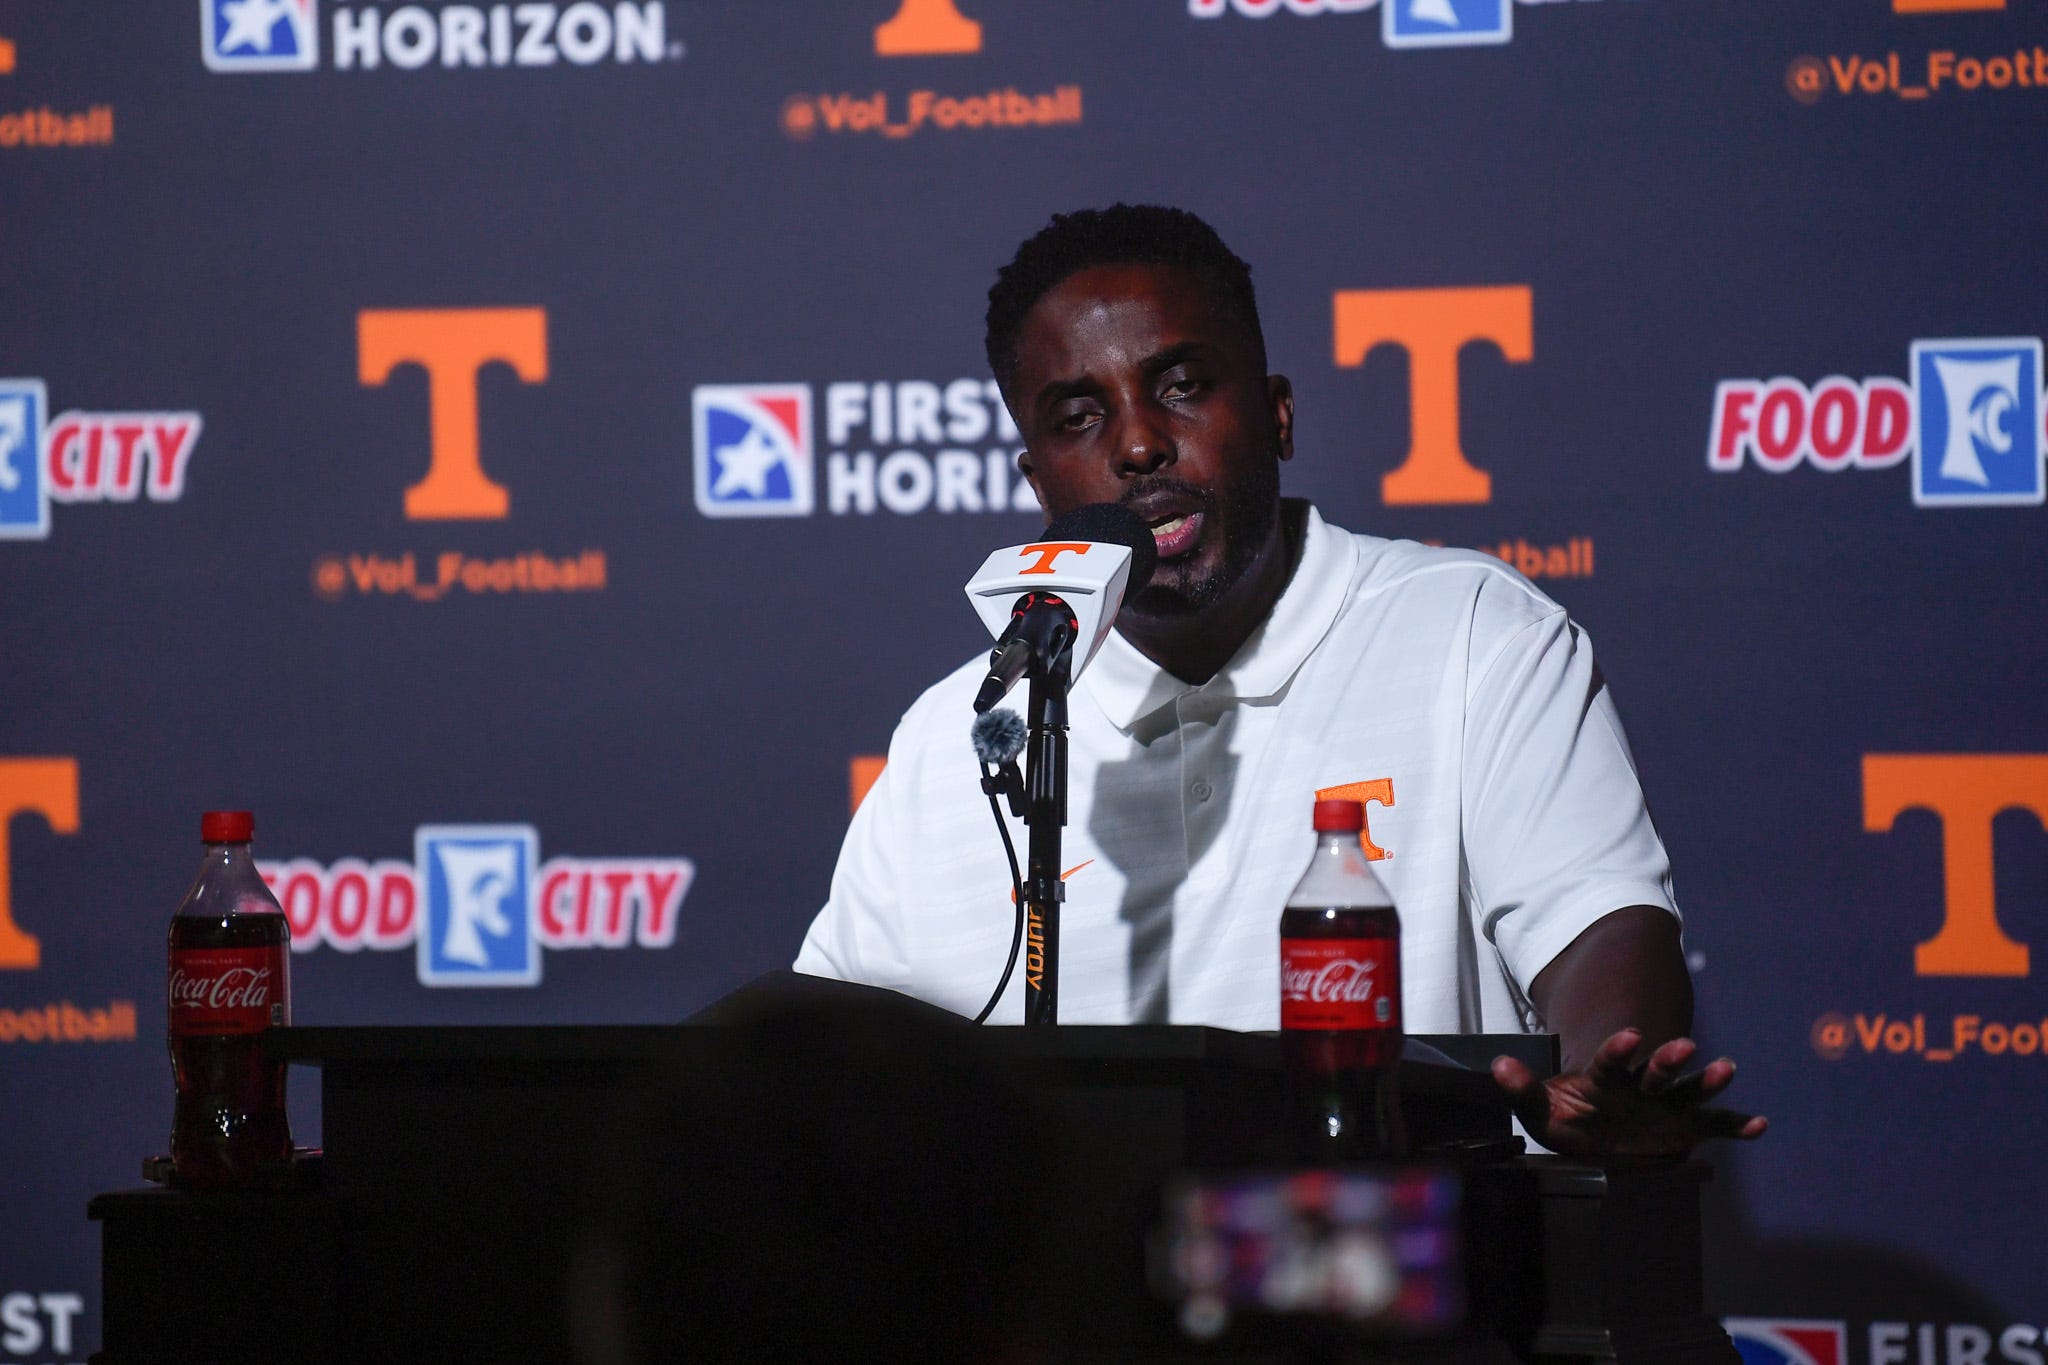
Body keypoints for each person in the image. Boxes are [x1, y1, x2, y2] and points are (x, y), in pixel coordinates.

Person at [795, 204, 1764, 1156]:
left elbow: (1598, 923)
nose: (1136, 446)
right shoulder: (957, 735)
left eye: (1177, 386)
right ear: (1037, 482)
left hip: (1393, 1284)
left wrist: (1602, 1069)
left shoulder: (1470, 632)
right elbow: (822, 1042)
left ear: (1276, 413)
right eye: (1078, 417)